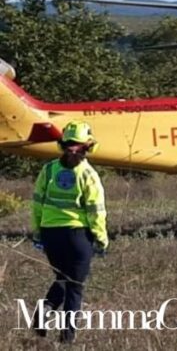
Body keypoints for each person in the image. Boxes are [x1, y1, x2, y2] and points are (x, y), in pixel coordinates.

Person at [31, 121, 108, 344]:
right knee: (75, 286)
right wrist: (101, 239)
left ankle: (45, 310)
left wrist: (38, 233)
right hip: (78, 236)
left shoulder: (48, 170)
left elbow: (36, 203)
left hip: (50, 234)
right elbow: (96, 211)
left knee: (63, 278)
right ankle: (67, 339)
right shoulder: (88, 174)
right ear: (88, 146)